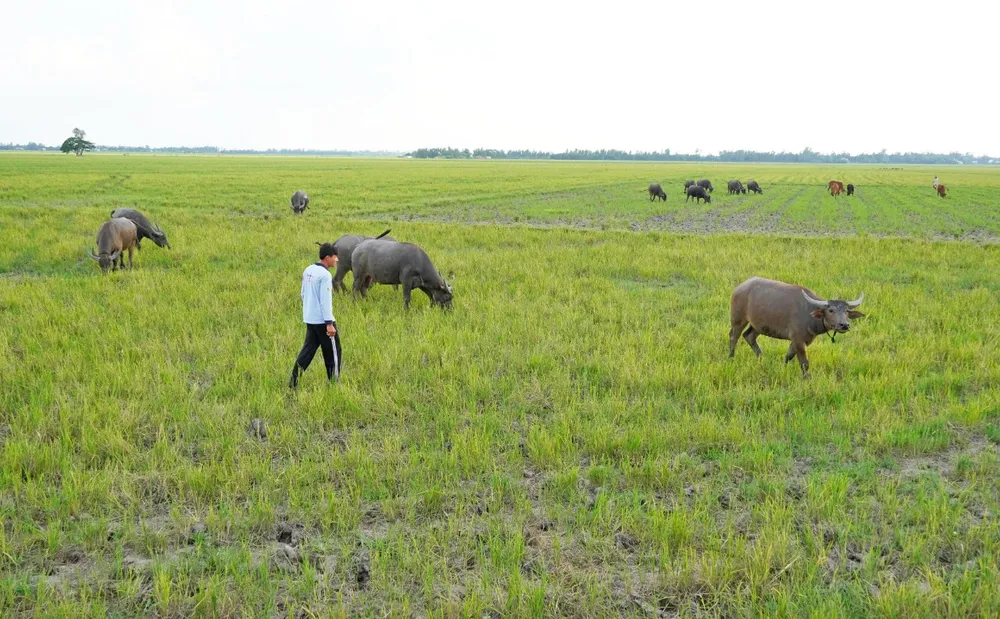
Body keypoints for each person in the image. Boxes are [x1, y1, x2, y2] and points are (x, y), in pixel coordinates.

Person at [289, 242, 342, 388]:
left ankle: (293, 382)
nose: (337, 260)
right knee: (333, 353)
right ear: (327, 258)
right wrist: (329, 324)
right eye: (335, 256)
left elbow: (303, 294)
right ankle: (334, 385)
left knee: (307, 352)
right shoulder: (325, 275)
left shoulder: (308, 270)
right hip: (323, 322)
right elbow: (325, 301)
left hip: (310, 319)